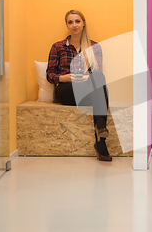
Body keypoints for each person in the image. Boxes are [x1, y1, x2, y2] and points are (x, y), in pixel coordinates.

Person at [47, 10, 112, 161]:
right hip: (66, 90)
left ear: (83, 24)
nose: (74, 25)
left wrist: (86, 78)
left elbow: (98, 72)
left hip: (87, 89)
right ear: (67, 25)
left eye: (77, 21)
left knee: (98, 76)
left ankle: (101, 137)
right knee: (101, 92)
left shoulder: (94, 46)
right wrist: (63, 77)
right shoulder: (58, 47)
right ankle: (101, 135)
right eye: (70, 22)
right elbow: (50, 74)